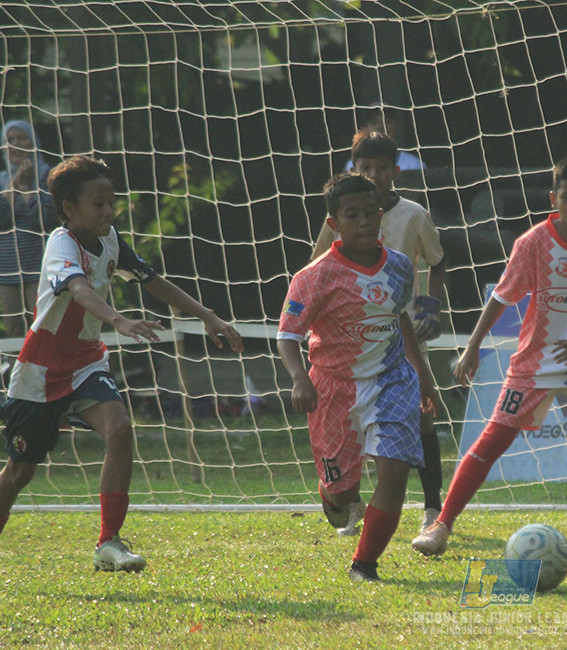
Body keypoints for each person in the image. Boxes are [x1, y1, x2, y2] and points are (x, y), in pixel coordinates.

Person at [0, 155, 243, 571]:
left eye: (111, 202)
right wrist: (119, 320)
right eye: (98, 203)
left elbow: (152, 280)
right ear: (68, 208)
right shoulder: (61, 243)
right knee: (20, 473)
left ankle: (108, 543)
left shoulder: (110, 239)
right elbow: (78, 289)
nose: (108, 211)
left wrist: (208, 316)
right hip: (40, 371)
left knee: (120, 428)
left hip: (85, 362)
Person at [412, 154, 567, 558]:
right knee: (491, 442)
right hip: (533, 365)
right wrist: (473, 346)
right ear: (553, 199)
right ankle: (441, 525)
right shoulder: (533, 242)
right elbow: (501, 297)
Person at [279, 173, 438, 583]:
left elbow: (399, 318)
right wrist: (299, 378)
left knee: (395, 472)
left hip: (391, 381)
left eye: (371, 213)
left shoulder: (399, 267)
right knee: (341, 494)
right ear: (334, 223)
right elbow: (288, 335)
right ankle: (336, 498)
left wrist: (423, 377)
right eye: (353, 215)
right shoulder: (314, 277)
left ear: (381, 214)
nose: (365, 222)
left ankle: (364, 564)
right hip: (333, 389)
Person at [313, 129, 446, 537]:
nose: (373, 174)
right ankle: (351, 502)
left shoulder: (414, 214)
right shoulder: (341, 213)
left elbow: (438, 260)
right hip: (353, 337)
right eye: (365, 167)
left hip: (401, 330)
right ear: (353, 169)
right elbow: (317, 266)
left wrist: (431, 303)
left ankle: (432, 507)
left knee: (421, 417)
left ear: (396, 171)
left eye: (382, 167)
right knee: (352, 424)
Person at [0, 120, 57, 338]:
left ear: (34, 142)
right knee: (14, 329)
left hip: (40, 266)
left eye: (22, 138)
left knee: (42, 327)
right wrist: (14, 183)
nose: (16, 144)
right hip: (7, 270)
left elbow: (43, 219)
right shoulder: (1, 180)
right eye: (10, 140)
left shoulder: (48, 176)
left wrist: (27, 191)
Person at [343, 108, 425, 172]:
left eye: (387, 122)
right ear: (365, 127)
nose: (380, 127)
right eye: (374, 122)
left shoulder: (413, 164)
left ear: (398, 127)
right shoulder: (352, 164)